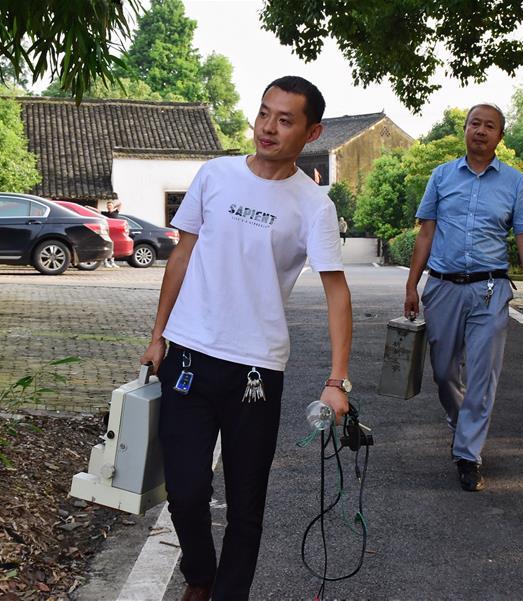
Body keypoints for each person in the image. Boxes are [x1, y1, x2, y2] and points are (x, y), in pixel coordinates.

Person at [140, 76, 352, 601]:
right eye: (263, 114)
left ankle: (227, 594)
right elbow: (182, 256)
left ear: (311, 132)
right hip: (187, 353)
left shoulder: (312, 205)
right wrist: (158, 335)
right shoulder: (215, 175)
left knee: (246, 504)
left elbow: (337, 293)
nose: (268, 128)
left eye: (284, 120)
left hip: (256, 369)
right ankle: (200, 576)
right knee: (186, 491)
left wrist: (337, 380)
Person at [403, 103, 523, 493]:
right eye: (474, 124)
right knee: (444, 372)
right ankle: (462, 424)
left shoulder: (514, 182)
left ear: (500, 136)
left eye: (490, 126)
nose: (481, 131)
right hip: (444, 286)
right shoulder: (442, 176)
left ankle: (468, 455)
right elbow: (426, 234)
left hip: (490, 289)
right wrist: (412, 284)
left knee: (483, 374)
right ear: (464, 130)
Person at [101, 200, 122, 268]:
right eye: (108, 205)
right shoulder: (105, 213)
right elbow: (96, 211)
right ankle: (105, 262)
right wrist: (89, 207)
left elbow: (120, 203)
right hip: (107, 232)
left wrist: (113, 205)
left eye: (110, 205)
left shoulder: (116, 212)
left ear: (113, 206)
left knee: (113, 248)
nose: (109, 206)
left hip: (114, 232)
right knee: (107, 247)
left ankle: (112, 262)